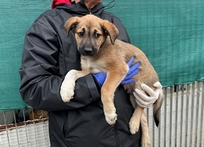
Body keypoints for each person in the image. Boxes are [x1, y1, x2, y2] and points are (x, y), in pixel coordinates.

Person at [19, 0, 162, 146]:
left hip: (127, 138)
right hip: (80, 141)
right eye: (81, 34)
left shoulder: (112, 22)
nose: (88, 46)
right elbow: (33, 89)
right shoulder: (47, 25)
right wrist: (93, 83)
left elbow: (126, 68)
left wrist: (149, 92)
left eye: (97, 36)